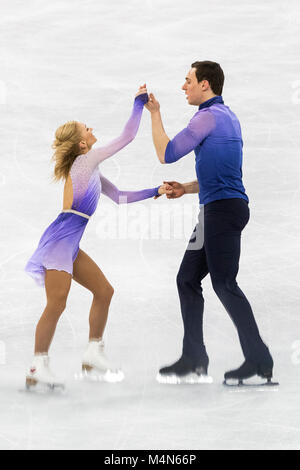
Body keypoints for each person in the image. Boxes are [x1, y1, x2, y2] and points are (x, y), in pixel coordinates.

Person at [25, 85, 168, 389]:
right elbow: (127, 137)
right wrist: (137, 104)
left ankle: (93, 352)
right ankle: (38, 366)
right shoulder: (86, 162)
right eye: (85, 129)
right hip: (60, 241)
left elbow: (120, 198)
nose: (91, 129)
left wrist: (154, 191)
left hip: (70, 243)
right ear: (81, 144)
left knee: (103, 291)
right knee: (56, 303)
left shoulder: (90, 169)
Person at [146, 61, 275, 385]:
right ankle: (194, 357)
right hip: (220, 208)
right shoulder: (227, 117)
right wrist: (186, 188)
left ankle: (259, 359)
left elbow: (167, 152)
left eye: (188, 80)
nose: (183, 86)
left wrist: (154, 113)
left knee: (224, 283)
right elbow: (221, 175)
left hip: (221, 212)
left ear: (206, 84)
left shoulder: (206, 117)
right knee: (187, 278)